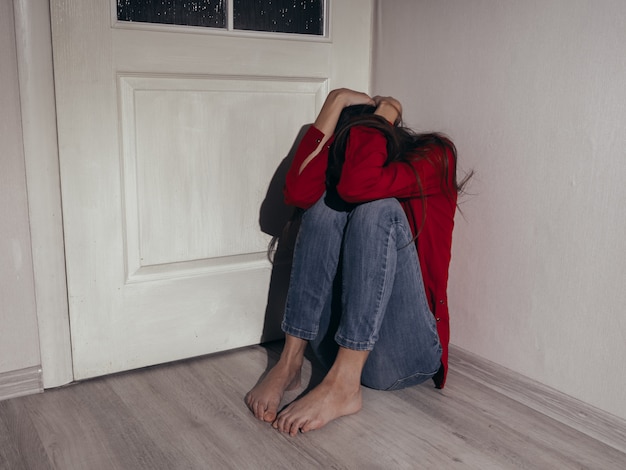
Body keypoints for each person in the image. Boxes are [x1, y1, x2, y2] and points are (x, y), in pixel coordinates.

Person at [246, 88, 469, 436]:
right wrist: (333, 102)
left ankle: (345, 386)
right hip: (329, 347)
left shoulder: (433, 156)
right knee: (321, 208)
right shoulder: (346, 171)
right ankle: (290, 363)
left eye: (361, 141)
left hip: (405, 356)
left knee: (376, 209)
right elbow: (299, 194)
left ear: (383, 134)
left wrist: (385, 111)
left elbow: (359, 184)